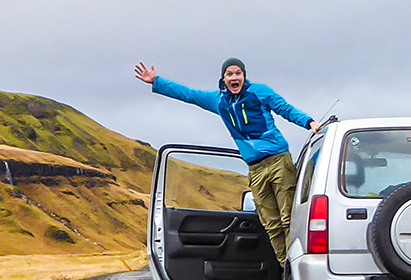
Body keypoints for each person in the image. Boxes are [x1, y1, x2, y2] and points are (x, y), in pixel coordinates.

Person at [134, 57, 316, 267]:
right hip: (255, 168)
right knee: (271, 224)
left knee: (288, 219)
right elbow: (189, 95)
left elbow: (285, 108)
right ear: (223, 79)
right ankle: (287, 270)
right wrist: (157, 82)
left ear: (244, 76)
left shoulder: (260, 92)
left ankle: (298, 268)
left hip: (278, 161)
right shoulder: (219, 101)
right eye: (229, 74)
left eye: (238, 73)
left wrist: (309, 122)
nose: (234, 77)